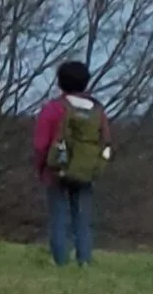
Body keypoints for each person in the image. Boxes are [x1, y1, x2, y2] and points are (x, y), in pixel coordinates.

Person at [32, 60, 111, 267]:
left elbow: (41, 144)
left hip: (57, 168)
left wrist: (42, 168)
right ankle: (84, 261)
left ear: (59, 82)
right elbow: (105, 141)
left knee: (59, 217)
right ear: (86, 82)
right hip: (85, 170)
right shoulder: (97, 111)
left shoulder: (52, 109)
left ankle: (60, 262)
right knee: (82, 219)